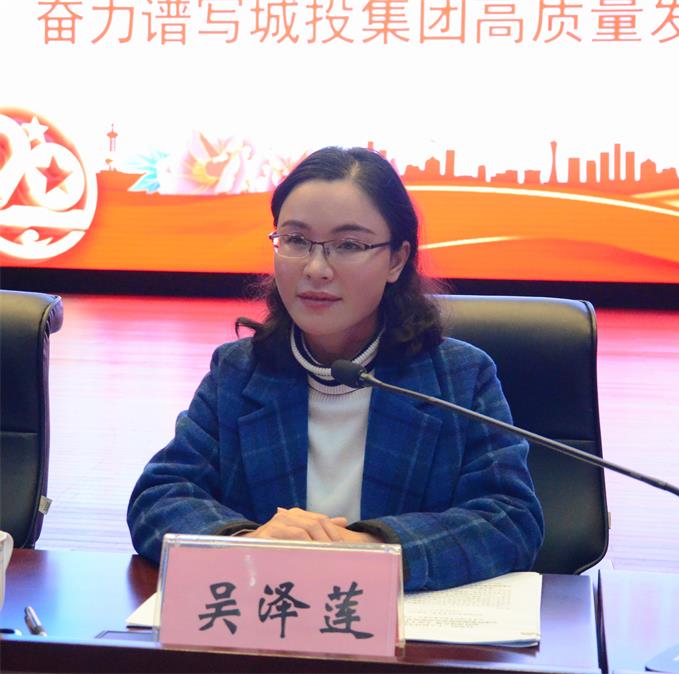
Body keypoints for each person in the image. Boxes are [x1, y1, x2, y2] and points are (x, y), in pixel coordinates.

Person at [127, 146, 543, 591]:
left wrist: (373, 549)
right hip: (271, 617)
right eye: (296, 240)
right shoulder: (240, 372)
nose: (316, 268)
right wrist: (246, 542)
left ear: (397, 260)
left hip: (403, 626)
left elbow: (510, 518)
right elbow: (159, 497)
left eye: (348, 245)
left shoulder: (457, 377)